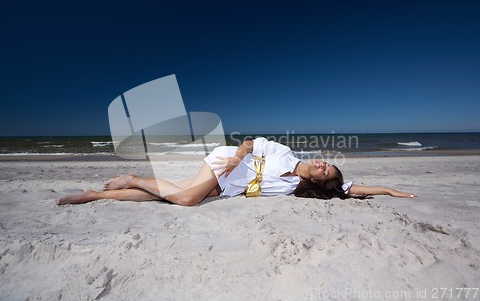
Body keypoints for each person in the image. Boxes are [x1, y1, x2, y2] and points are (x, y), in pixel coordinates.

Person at [56, 137, 416, 206]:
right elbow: (247, 143)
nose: (323, 165)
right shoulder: (283, 151)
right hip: (224, 164)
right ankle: (131, 178)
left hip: (227, 188)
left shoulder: (295, 189)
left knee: (167, 197)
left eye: (325, 172)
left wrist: (392, 190)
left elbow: (353, 189)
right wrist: (237, 156)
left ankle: (95, 195)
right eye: (325, 162)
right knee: (184, 199)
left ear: (318, 181)